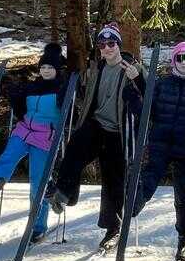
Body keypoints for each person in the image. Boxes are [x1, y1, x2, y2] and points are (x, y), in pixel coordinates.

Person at [47, 24, 145, 249]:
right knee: (75, 147)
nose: (107, 48)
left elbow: (149, 94)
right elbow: (87, 94)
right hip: (97, 124)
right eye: (102, 45)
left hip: (119, 131)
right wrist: (70, 87)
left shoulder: (133, 67)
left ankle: (113, 228)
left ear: (118, 45)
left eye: (111, 43)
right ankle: (65, 193)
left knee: (113, 180)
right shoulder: (98, 68)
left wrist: (138, 79)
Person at [126, 41, 185, 261]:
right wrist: (134, 98)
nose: (184, 62)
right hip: (161, 141)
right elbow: (148, 109)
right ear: (173, 61)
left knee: (182, 191)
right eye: (180, 58)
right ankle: (135, 202)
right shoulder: (162, 84)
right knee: (152, 174)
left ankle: (183, 236)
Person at [0, 43, 71, 245]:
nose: (45, 71)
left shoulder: (62, 88)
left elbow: (70, 108)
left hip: (46, 136)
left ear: (57, 69)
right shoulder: (31, 87)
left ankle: (38, 226)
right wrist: (12, 91)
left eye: (50, 68)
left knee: (38, 181)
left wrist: (70, 91)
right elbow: (20, 106)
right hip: (24, 130)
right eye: (43, 67)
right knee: (8, 157)